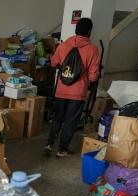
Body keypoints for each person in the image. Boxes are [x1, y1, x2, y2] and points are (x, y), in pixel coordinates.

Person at [45, 18, 100, 157]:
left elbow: (53, 63)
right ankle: (62, 149)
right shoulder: (92, 49)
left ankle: (49, 144)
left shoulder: (63, 46)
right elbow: (93, 76)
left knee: (57, 118)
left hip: (61, 90)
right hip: (77, 92)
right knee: (70, 120)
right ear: (89, 32)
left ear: (76, 30)